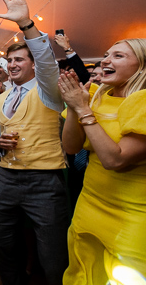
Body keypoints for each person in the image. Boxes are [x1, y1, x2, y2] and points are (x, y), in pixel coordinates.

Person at [0, 0, 68, 285]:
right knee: (1, 244)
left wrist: (26, 24)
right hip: (5, 178)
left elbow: (48, 63)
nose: (12, 65)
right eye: (9, 61)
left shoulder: (48, 91)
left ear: (32, 64)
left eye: (19, 60)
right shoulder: (1, 98)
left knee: (52, 255)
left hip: (44, 181)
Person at [58, 38, 146, 283]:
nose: (106, 60)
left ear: (142, 66)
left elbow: (114, 160)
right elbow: (71, 146)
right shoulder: (96, 96)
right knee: (84, 270)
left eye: (118, 56)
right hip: (89, 203)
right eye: (107, 54)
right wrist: (76, 107)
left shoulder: (143, 101)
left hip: (132, 216)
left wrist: (83, 109)